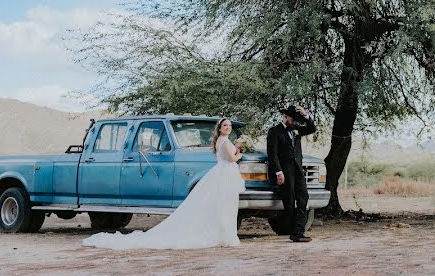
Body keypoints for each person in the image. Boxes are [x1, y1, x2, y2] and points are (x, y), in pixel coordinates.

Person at [82, 118, 245, 250]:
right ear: (220, 128)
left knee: (223, 206)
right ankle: (225, 235)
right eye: (225, 125)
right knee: (224, 206)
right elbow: (231, 159)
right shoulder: (223, 141)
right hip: (225, 173)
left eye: (230, 125)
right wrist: (238, 152)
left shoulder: (222, 141)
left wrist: (236, 148)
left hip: (223, 174)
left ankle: (223, 234)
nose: (228, 127)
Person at [266, 105, 316, 242]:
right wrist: (278, 172)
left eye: (297, 120)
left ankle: (298, 232)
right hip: (284, 172)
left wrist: (306, 115)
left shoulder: (296, 129)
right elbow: (272, 154)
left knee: (303, 197)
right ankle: (295, 233)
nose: (295, 122)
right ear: (286, 117)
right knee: (289, 201)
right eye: (293, 120)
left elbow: (312, 128)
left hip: (298, 170)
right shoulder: (274, 131)